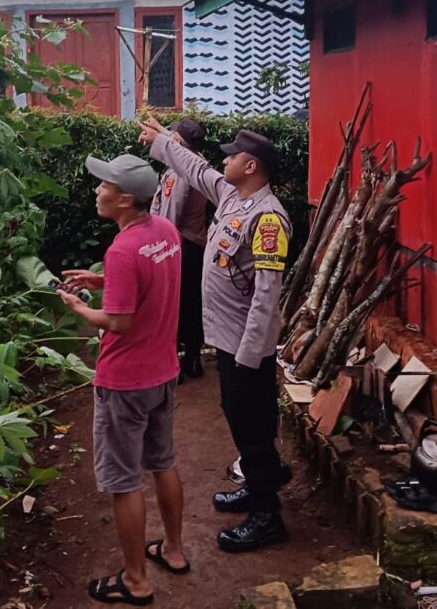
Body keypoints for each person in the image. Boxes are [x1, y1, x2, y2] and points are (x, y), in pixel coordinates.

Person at [138, 116, 293, 553]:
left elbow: (266, 295)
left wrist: (251, 353)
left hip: (247, 345)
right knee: (238, 414)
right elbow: (195, 169)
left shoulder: (268, 220)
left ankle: (267, 517)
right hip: (227, 338)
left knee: (254, 424)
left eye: (232, 156)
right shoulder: (231, 196)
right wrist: (164, 140)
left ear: (251, 166)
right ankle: (257, 484)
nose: (223, 161)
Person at [56, 152, 190, 605]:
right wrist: (100, 280)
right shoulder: (165, 232)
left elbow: (117, 323)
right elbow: (152, 283)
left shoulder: (122, 249)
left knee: (124, 480)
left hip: (125, 382)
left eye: (104, 186)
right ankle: (172, 549)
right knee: (163, 462)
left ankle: (135, 580)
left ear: (125, 199)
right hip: (163, 374)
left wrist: (78, 306)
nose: (98, 191)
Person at [150, 118, 209, 380]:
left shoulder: (179, 174)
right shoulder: (199, 164)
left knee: (172, 304)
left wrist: (160, 247)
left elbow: (171, 216)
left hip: (178, 245)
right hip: (194, 246)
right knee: (192, 302)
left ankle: (173, 362)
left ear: (177, 142)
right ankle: (193, 359)